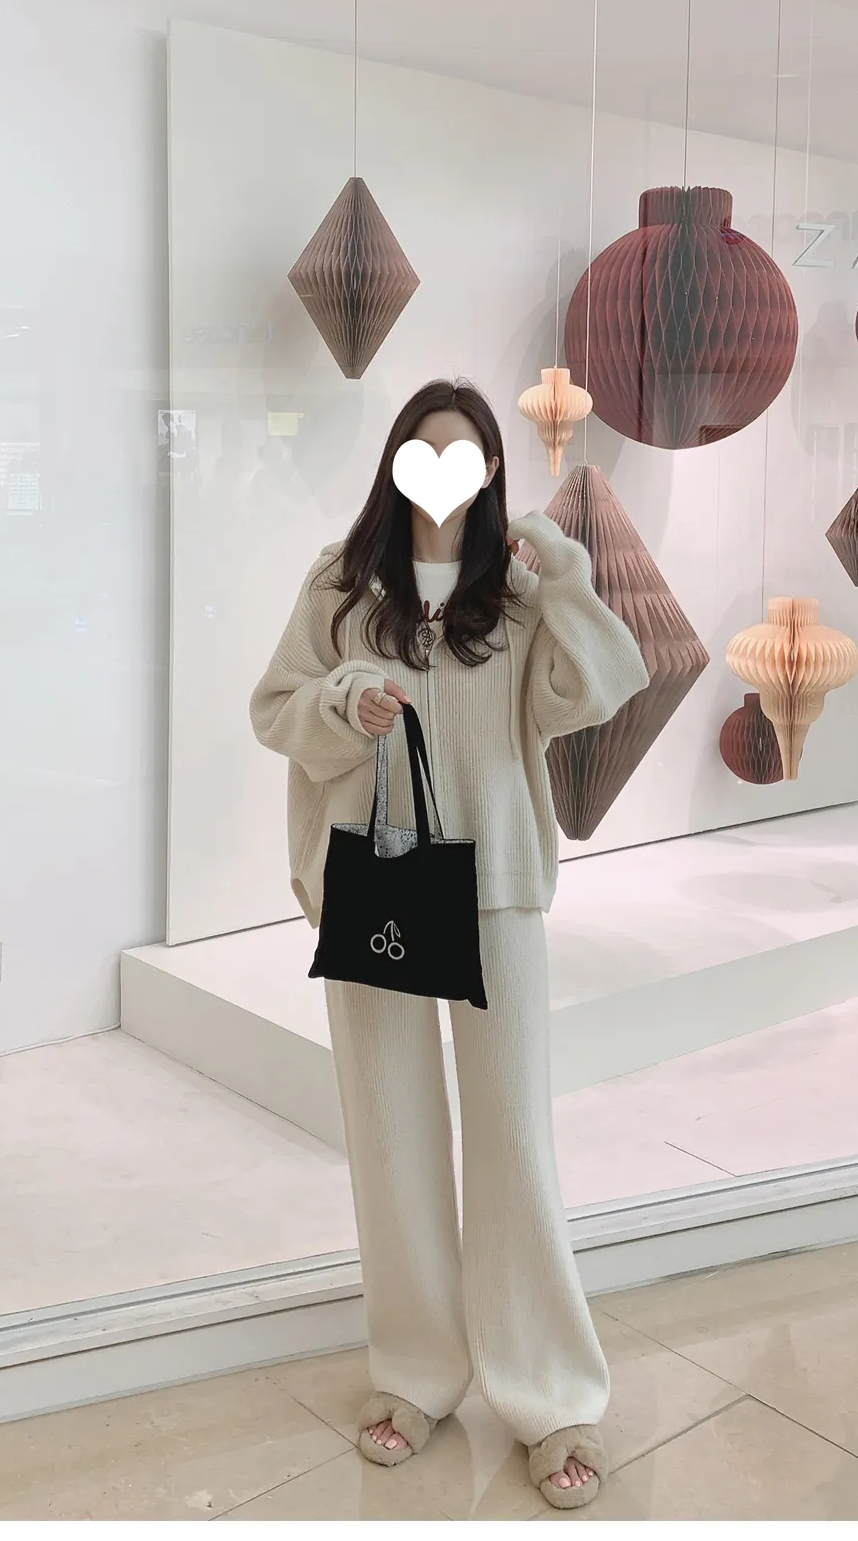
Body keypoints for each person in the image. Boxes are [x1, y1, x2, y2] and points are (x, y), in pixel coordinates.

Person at [252, 379, 647, 1504]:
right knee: (391, 1137)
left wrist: (562, 572)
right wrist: (345, 698)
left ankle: (551, 1394)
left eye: (464, 454)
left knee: (514, 1137)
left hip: (496, 886)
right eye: (421, 451)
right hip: (375, 878)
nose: (440, 472)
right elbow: (276, 707)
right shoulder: (340, 583)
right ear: (394, 462)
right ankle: (416, 1373)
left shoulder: (516, 595)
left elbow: (606, 683)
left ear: (490, 472)